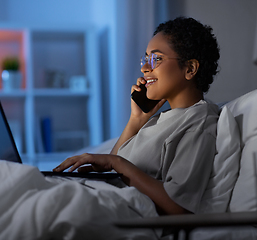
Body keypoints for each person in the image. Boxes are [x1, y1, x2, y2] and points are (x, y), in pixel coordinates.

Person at [54, 16, 220, 216]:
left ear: (190, 68)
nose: (144, 68)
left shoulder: (199, 122)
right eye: (146, 59)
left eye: (156, 59)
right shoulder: (162, 118)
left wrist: (117, 164)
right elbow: (115, 163)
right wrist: (137, 119)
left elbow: (178, 206)